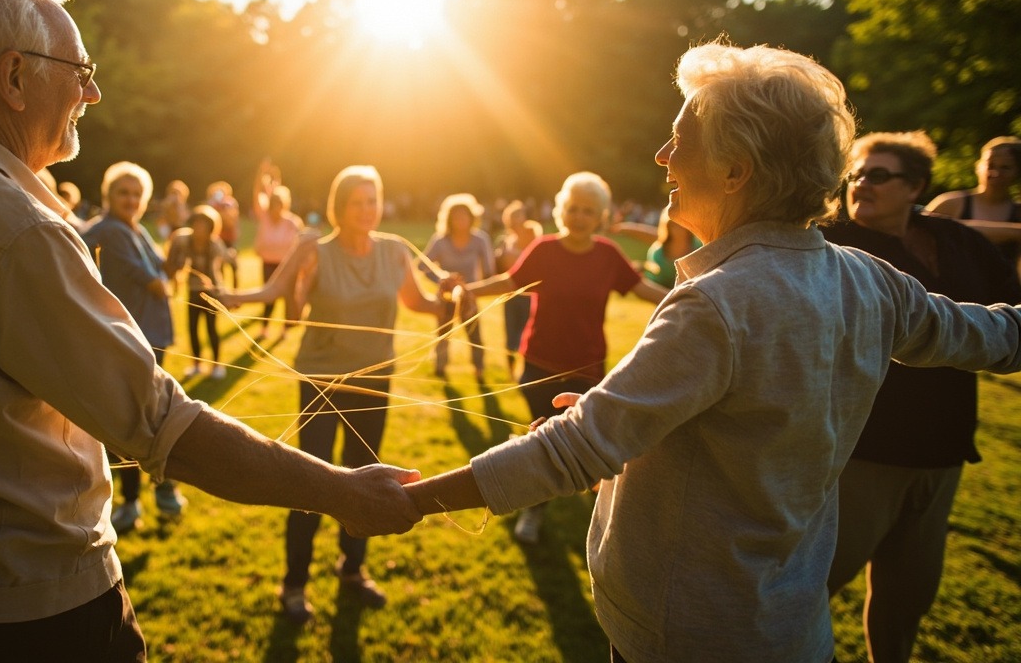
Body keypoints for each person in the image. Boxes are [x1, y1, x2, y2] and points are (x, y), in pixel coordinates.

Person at [0, 0, 420, 662]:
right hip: (31, 600)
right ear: (14, 78)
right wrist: (337, 489)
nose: (92, 91)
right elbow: (158, 423)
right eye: (79, 69)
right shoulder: (17, 225)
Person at [396, 42, 1021, 663]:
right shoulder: (868, 278)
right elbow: (995, 336)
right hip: (795, 633)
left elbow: (575, 449)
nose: (662, 157)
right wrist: (634, 414)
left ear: (735, 170)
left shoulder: (716, 303)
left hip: (687, 634)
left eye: (680, 139)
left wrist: (409, 500)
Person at [822, 131, 1021, 662]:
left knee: (907, 598)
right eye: (857, 174)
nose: (861, 183)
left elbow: (1010, 311)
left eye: (878, 175)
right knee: (810, 587)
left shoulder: (957, 241)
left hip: (943, 453)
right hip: (863, 451)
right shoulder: (834, 246)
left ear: (916, 187)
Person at [222, 165, 451, 625]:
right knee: (313, 480)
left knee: (369, 475)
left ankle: (352, 568)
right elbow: (273, 290)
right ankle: (294, 583)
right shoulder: (315, 250)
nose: (368, 210)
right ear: (339, 206)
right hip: (321, 382)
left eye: (374, 200)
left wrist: (453, 295)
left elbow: (419, 302)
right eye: (358, 202)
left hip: (375, 379)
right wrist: (228, 297)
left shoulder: (393, 250)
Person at [461, 172, 668, 544]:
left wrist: (686, 295)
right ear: (561, 210)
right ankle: (534, 512)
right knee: (543, 440)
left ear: (600, 216)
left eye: (588, 211)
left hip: (586, 368)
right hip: (539, 365)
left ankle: (598, 514)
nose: (579, 217)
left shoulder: (608, 255)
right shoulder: (544, 250)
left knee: (582, 446)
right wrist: (469, 291)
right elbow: (509, 282)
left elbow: (641, 289)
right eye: (572, 208)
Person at [82, 161, 188, 531]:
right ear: (108, 196)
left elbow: (167, 269)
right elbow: (156, 282)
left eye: (136, 194)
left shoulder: (135, 229)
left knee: (151, 414)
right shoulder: (110, 232)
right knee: (131, 420)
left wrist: (183, 238)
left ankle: (159, 491)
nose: (130, 199)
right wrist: (166, 274)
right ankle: (135, 500)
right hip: (126, 337)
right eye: (122, 192)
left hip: (149, 335)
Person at [422, 193, 496, 383]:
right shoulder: (440, 241)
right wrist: (442, 280)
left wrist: (472, 288)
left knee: (474, 334)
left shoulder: (480, 240)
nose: (460, 221)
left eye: (464, 216)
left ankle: (479, 370)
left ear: (472, 218)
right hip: (446, 296)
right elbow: (422, 266)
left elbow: (489, 270)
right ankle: (440, 368)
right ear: (449, 219)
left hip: (469, 296)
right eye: (456, 217)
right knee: (443, 334)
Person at [925, 136, 1021, 277]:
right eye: (991, 165)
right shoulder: (949, 204)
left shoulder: (1018, 212)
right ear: (979, 166)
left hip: (1004, 295)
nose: (995, 173)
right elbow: (917, 232)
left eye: (1005, 168)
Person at [166, 205, 228, 379]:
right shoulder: (184, 241)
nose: (200, 229)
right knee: (192, 329)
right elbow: (173, 261)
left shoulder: (215, 245)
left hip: (210, 294)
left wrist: (221, 292)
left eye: (204, 225)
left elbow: (219, 270)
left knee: (211, 329)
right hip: (192, 291)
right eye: (197, 224)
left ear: (211, 228)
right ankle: (196, 364)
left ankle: (216, 366)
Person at [250, 158, 303, 341]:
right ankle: (265, 327)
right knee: (268, 296)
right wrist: (260, 173)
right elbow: (256, 192)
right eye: (273, 206)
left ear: (284, 205)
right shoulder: (264, 217)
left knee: (287, 297)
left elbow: (300, 245)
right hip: (268, 263)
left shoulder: (292, 222)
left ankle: (285, 329)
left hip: (286, 264)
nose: (275, 210)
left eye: (279, 206)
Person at [494, 201, 537, 377]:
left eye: (519, 216)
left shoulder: (533, 238)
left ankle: (528, 370)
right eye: (513, 217)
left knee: (529, 333)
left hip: (529, 294)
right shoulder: (504, 242)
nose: (517, 220)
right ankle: (512, 371)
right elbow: (499, 268)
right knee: (511, 334)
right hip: (510, 294)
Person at [612, 207, 701, 288]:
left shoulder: (700, 248)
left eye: (682, 225)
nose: (679, 229)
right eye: (674, 225)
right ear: (667, 227)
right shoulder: (658, 253)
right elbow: (655, 282)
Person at [206, 180, 240, 287]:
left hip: (230, 239)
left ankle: (235, 291)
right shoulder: (212, 204)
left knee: (234, 266)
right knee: (219, 267)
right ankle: (222, 289)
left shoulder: (230, 203)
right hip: (218, 239)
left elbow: (230, 218)